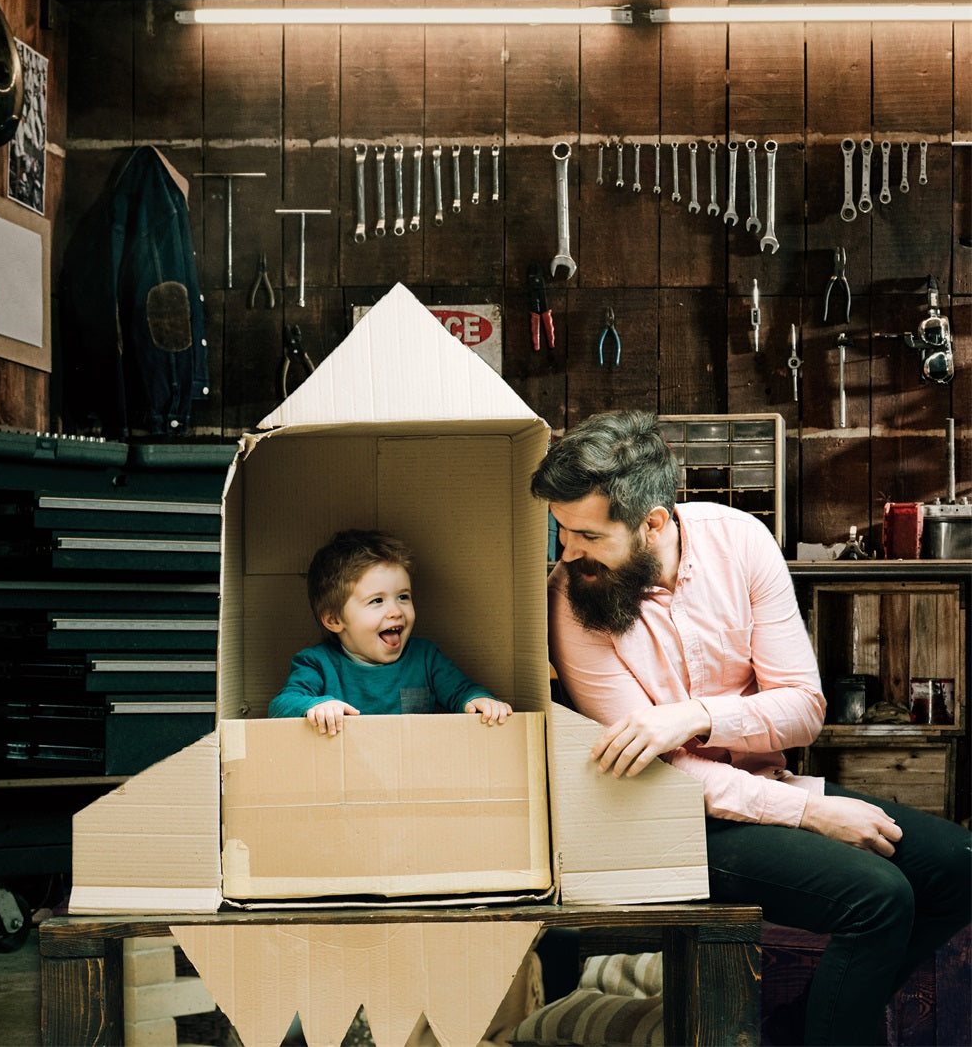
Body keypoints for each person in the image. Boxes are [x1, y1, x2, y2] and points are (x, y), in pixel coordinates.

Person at [532, 409, 970, 1047]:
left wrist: (698, 715)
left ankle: (820, 1015)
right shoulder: (570, 598)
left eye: (588, 536)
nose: (568, 553)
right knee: (878, 898)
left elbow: (804, 708)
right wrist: (808, 813)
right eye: (561, 532)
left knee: (958, 867)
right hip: (666, 819)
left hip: (765, 785)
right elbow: (656, 768)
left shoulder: (738, 540)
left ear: (653, 521)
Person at [268, 528, 511, 733]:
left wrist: (479, 700)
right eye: (377, 601)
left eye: (403, 597)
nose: (396, 611)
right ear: (334, 619)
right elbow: (280, 705)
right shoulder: (318, 663)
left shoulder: (424, 657)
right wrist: (316, 706)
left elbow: (463, 691)